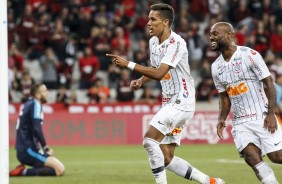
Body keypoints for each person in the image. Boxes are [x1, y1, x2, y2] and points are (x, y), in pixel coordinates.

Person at [107, 3, 224, 184]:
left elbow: (160, 73)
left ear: (165, 22)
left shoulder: (177, 43)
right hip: (169, 102)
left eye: (153, 19)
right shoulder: (153, 42)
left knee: (149, 140)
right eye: (148, 19)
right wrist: (141, 80)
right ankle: (210, 181)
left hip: (181, 101)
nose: (148, 23)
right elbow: (155, 68)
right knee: (166, 158)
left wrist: (128, 64)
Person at [210, 22, 282, 183]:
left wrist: (271, 113)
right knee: (252, 158)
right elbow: (224, 97)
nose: (211, 37)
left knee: (277, 157)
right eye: (210, 34)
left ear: (229, 35)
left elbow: (269, 83)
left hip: (261, 116)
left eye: (215, 33)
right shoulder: (215, 67)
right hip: (240, 122)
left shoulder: (249, 55)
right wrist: (222, 119)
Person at [10, 83, 65, 176]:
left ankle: (24, 170)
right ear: (38, 95)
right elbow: (36, 129)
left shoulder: (29, 103)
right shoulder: (35, 104)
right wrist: (46, 148)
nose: (47, 93)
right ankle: (22, 172)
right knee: (59, 170)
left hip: (27, 149)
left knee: (55, 167)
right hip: (27, 150)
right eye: (45, 91)